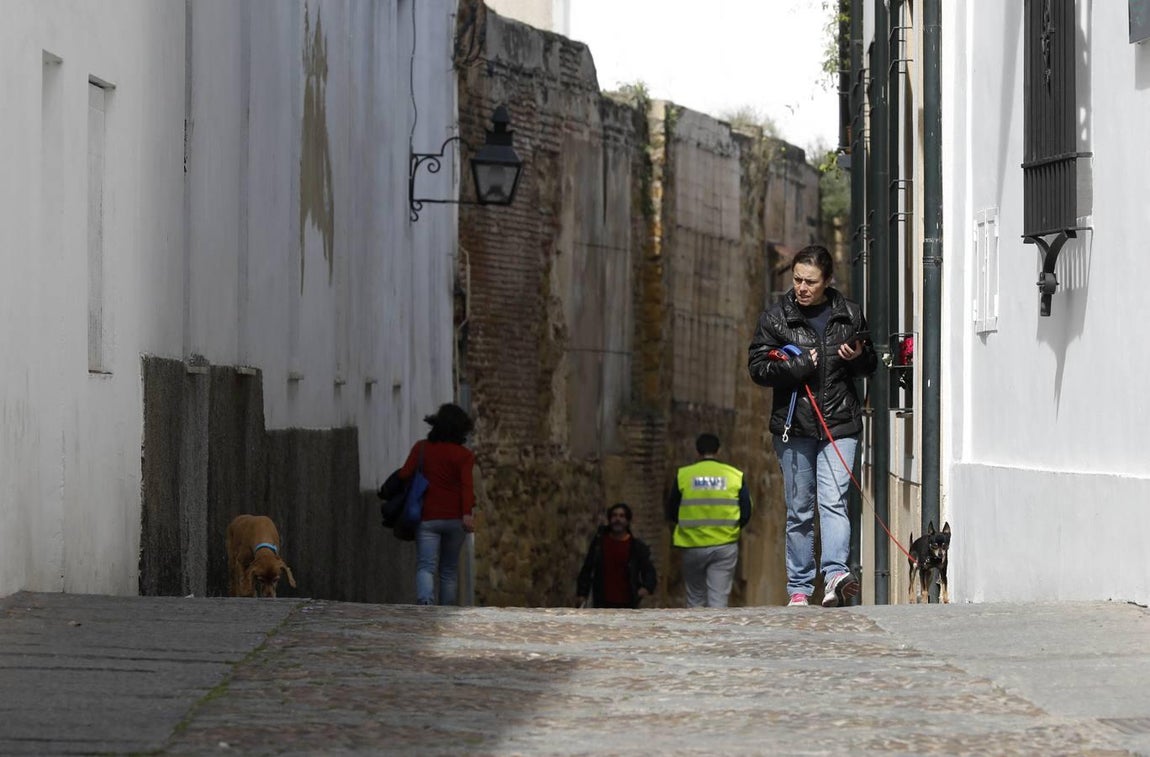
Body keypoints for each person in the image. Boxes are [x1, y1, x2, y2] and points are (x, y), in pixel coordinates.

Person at [747, 244, 877, 608]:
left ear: (827, 281)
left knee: (834, 501)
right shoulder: (776, 319)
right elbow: (758, 368)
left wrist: (858, 358)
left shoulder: (849, 314)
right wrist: (798, 366)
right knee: (800, 510)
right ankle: (800, 589)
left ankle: (835, 573)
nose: (802, 287)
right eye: (797, 280)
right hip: (795, 427)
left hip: (839, 424)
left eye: (810, 281)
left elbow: (869, 367)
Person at [399, 403, 476, 606]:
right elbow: (467, 486)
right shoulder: (464, 456)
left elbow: (404, 474)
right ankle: (446, 609)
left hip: (427, 517)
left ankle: (425, 604)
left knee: (426, 566)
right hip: (455, 519)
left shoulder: (421, 448)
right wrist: (467, 514)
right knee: (448, 570)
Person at [666, 433, 752, 608]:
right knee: (719, 598)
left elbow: (672, 509)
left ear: (697, 451)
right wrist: (733, 528)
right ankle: (717, 632)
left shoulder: (684, 475)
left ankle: (695, 632)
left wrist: (685, 525)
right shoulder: (734, 475)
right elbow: (746, 511)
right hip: (724, 544)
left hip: (692, 543)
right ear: (718, 450)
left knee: (694, 597)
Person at [576, 503, 657, 609]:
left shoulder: (636, 547)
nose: (617, 519)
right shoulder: (599, 543)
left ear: (627, 521)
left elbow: (649, 571)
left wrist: (645, 589)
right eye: (614, 516)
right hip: (602, 603)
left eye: (621, 516)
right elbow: (588, 568)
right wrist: (582, 594)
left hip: (627, 605)